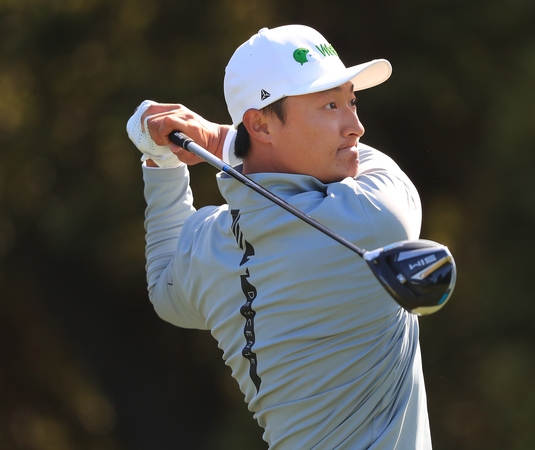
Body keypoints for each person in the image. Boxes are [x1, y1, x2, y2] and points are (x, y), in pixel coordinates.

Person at [127, 25, 432, 449]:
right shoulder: (367, 221)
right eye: (329, 105)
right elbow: (378, 175)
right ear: (261, 126)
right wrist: (221, 138)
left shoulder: (208, 249)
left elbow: (164, 288)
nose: (356, 126)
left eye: (351, 101)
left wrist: (162, 161)